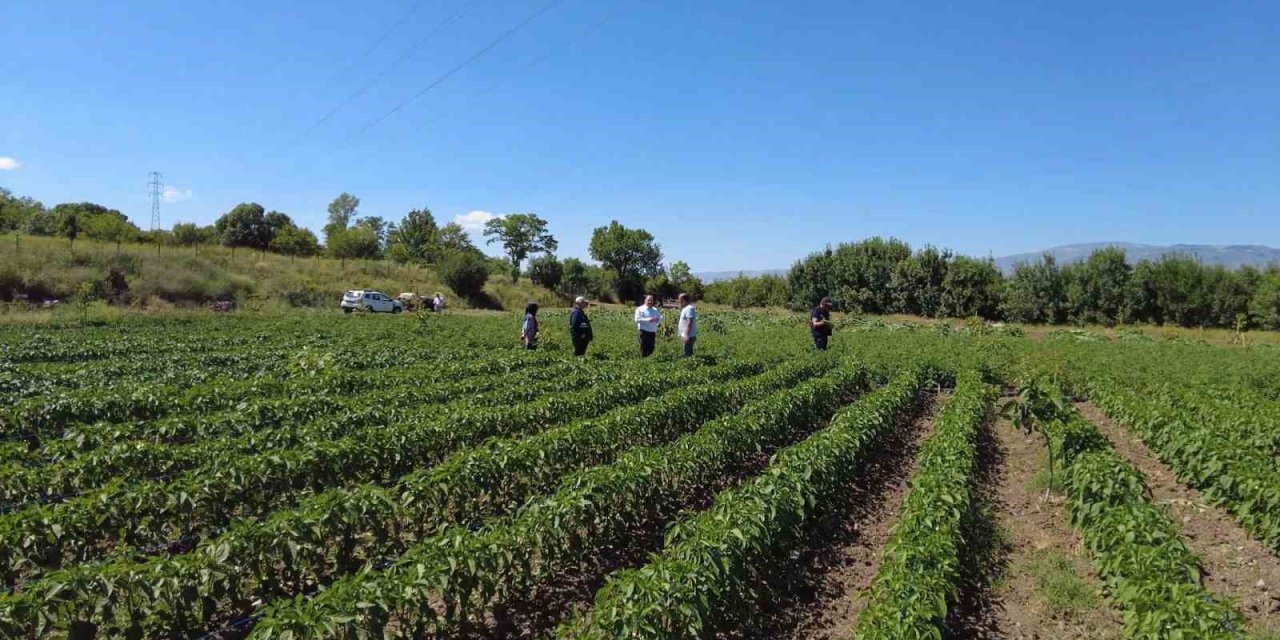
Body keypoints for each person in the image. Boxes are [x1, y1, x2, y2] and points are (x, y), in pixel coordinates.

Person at [677, 292, 697, 357]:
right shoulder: (685, 308)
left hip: (689, 335)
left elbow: (690, 322)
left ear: (684, 300)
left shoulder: (689, 308)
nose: (679, 302)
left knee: (688, 354)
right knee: (687, 351)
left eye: (680, 300)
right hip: (686, 334)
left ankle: (689, 365)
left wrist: (686, 334)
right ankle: (689, 362)